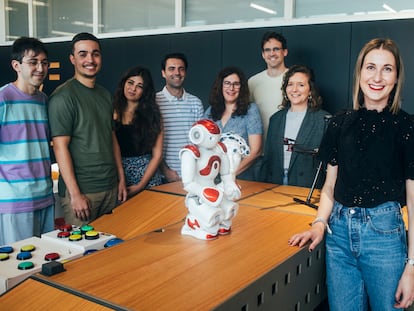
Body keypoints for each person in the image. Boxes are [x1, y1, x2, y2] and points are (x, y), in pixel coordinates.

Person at [288, 38, 414, 310]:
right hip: (339, 236)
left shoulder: (406, 127)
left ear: (396, 77)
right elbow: (330, 186)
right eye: (370, 67)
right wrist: (319, 223)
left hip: (385, 238)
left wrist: (412, 267)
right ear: (359, 73)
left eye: (387, 69)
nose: (377, 77)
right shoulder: (339, 122)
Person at [48, 32, 127, 227]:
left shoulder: (105, 95)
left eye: (95, 54)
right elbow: (60, 147)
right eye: (83, 54)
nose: (90, 59)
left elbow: (111, 139)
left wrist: (121, 179)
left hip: (110, 188)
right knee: (82, 254)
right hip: (83, 193)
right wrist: (75, 194)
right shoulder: (63, 97)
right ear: (72, 59)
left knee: (111, 252)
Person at [0, 37, 54, 245]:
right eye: (33, 62)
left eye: (44, 62)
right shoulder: (3, 98)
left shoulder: (44, 100)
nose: (40, 68)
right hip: (15, 202)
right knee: (20, 270)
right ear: (16, 65)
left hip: (45, 197)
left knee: (46, 264)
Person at [263, 64, 330, 188]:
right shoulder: (275, 119)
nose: (294, 89)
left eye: (301, 85)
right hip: (274, 186)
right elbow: (268, 159)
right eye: (290, 84)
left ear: (310, 90)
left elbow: (329, 165)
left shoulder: (324, 120)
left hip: (307, 187)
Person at [204, 66, 263, 180]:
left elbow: (256, 151)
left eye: (236, 84)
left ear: (241, 88)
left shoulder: (250, 110)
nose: (231, 88)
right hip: (213, 178)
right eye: (227, 83)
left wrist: (229, 175)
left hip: (242, 178)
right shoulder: (211, 111)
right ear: (220, 86)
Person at [113, 66, 163, 198]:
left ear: (145, 91)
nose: (133, 89)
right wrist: (121, 178)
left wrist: (141, 185)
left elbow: (157, 155)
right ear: (124, 83)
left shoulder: (153, 115)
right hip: (118, 177)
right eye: (130, 83)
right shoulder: (111, 110)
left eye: (139, 86)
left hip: (147, 177)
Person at [156, 52, 204, 183]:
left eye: (181, 69)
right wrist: (166, 171)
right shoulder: (154, 102)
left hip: (194, 175)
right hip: (163, 177)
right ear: (163, 73)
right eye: (171, 69)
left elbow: (201, 142)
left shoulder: (196, 103)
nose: (177, 73)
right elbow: (151, 143)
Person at [248, 31, 288, 145]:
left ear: (284, 52)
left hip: (286, 150)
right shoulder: (253, 82)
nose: (272, 53)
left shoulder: (294, 80)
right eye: (267, 50)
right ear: (263, 54)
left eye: (276, 49)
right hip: (259, 151)